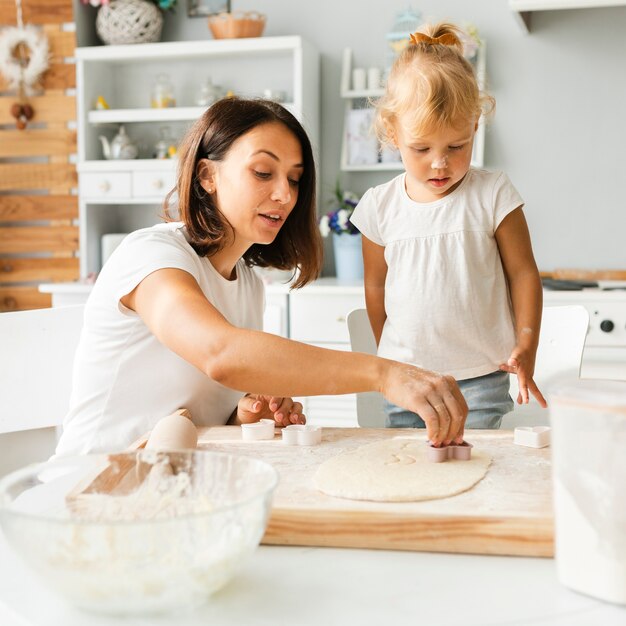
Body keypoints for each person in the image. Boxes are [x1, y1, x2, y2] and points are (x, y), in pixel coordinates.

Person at [55, 97, 468, 457]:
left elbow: (201, 409)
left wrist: (244, 414)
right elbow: (220, 354)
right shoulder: (151, 256)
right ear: (207, 176)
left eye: (294, 178)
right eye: (263, 172)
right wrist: (384, 373)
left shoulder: (248, 284)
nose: (285, 195)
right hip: (92, 488)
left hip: (170, 490)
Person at [350, 23, 546, 430]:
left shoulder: (493, 194)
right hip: (407, 383)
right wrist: (393, 356)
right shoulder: (379, 207)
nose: (440, 163)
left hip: (481, 380)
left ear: (475, 125)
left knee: (472, 475)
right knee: (411, 479)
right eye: (421, 149)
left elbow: (524, 273)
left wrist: (527, 343)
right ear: (393, 134)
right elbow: (375, 288)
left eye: (456, 146)